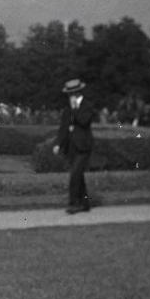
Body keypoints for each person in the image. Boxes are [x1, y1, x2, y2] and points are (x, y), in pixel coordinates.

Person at [53, 78, 95, 214]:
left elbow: (84, 121)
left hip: (83, 146)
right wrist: (58, 144)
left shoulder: (87, 106)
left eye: (71, 93)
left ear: (77, 93)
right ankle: (85, 203)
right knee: (78, 176)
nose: (69, 96)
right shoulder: (67, 109)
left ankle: (74, 203)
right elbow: (63, 128)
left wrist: (75, 109)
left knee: (75, 174)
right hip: (71, 147)